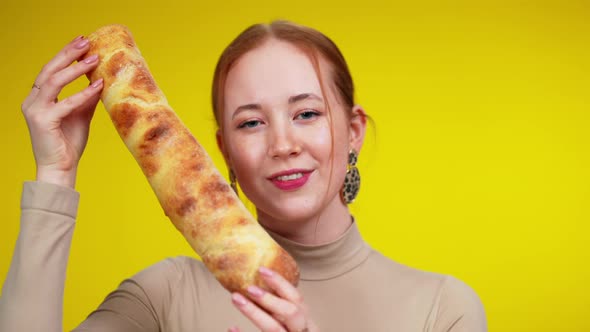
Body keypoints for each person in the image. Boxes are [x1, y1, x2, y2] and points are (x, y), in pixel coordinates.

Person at [0, 21, 487, 331]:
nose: (282, 144)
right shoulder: (164, 296)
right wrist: (55, 174)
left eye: (307, 113)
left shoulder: (442, 309)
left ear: (354, 130)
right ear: (224, 152)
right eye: (251, 123)